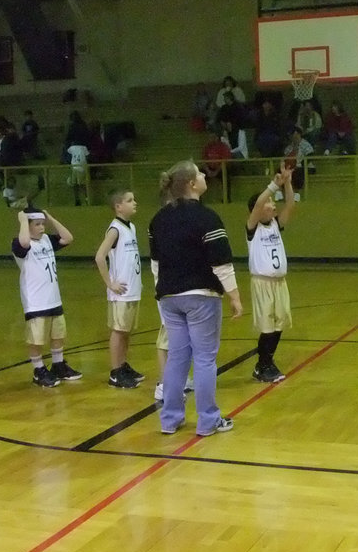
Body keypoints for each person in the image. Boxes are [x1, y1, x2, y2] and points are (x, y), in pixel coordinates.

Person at [148, 161, 242, 437]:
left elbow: (156, 264)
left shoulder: (158, 219)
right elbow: (221, 263)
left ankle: (170, 419)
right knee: (204, 359)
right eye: (200, 173)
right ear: (191, 184)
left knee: (177, 357)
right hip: (201, 296)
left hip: (169, 297)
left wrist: (161, 293)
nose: (204, 176)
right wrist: (235, 296)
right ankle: (208, 420)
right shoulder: (207, 217)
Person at [13, 208, 81, 389]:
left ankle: (58, 365)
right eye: (37, 224)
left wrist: (49, 217)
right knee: (36, 338)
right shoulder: (19, 243)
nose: (42, 228)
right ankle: (38, 369)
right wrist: (22, 220)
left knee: (58, 334)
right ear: (27, 226)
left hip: (53, 297)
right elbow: (25, 243)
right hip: (35, 301)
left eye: (43, 224)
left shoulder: (46, 240)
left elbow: (68, 238)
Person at [247, 169, 296, 383]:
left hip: (279, 283)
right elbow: (259, 203)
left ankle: (267, 361)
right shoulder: (252, 228)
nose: (272, 205)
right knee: (267, 327)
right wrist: (273, 185)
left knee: (279, 325)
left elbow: (291, 204)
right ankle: (262, 365)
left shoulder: (276, 224)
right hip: (262, 283)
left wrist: (287, 183)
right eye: (269, 203)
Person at [94, 189, 145, 389]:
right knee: (118, 330)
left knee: (126, 331)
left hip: (132, 289)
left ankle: (123, 366)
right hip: (120, 292)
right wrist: (110, 283)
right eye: (130, 200)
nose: (134, 203)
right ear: (118, 206)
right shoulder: (115, 229)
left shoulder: (130, 226)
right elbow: (100, 257)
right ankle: (115, 372)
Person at [281, 127, 313, 195]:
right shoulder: (289, 147)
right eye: (292, 135)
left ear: (299, 134)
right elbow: (285, 157)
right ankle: (283, 192)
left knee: (298, 172)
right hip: (291, 167)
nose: (294, 136)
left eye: (296, 134)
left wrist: (301, 164)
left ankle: (297, 192)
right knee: (281, 171)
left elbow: (310, 156)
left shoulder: (306, 144)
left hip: (307, 167)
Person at [66, 140, 89, 206]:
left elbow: (68, 154)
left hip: (78, 168)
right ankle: (79, 199)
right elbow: (87, 156)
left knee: (80, 184)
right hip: (77, 167)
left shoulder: (73, 148)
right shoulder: (83, 148)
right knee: (75, 184)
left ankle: (86, 198)